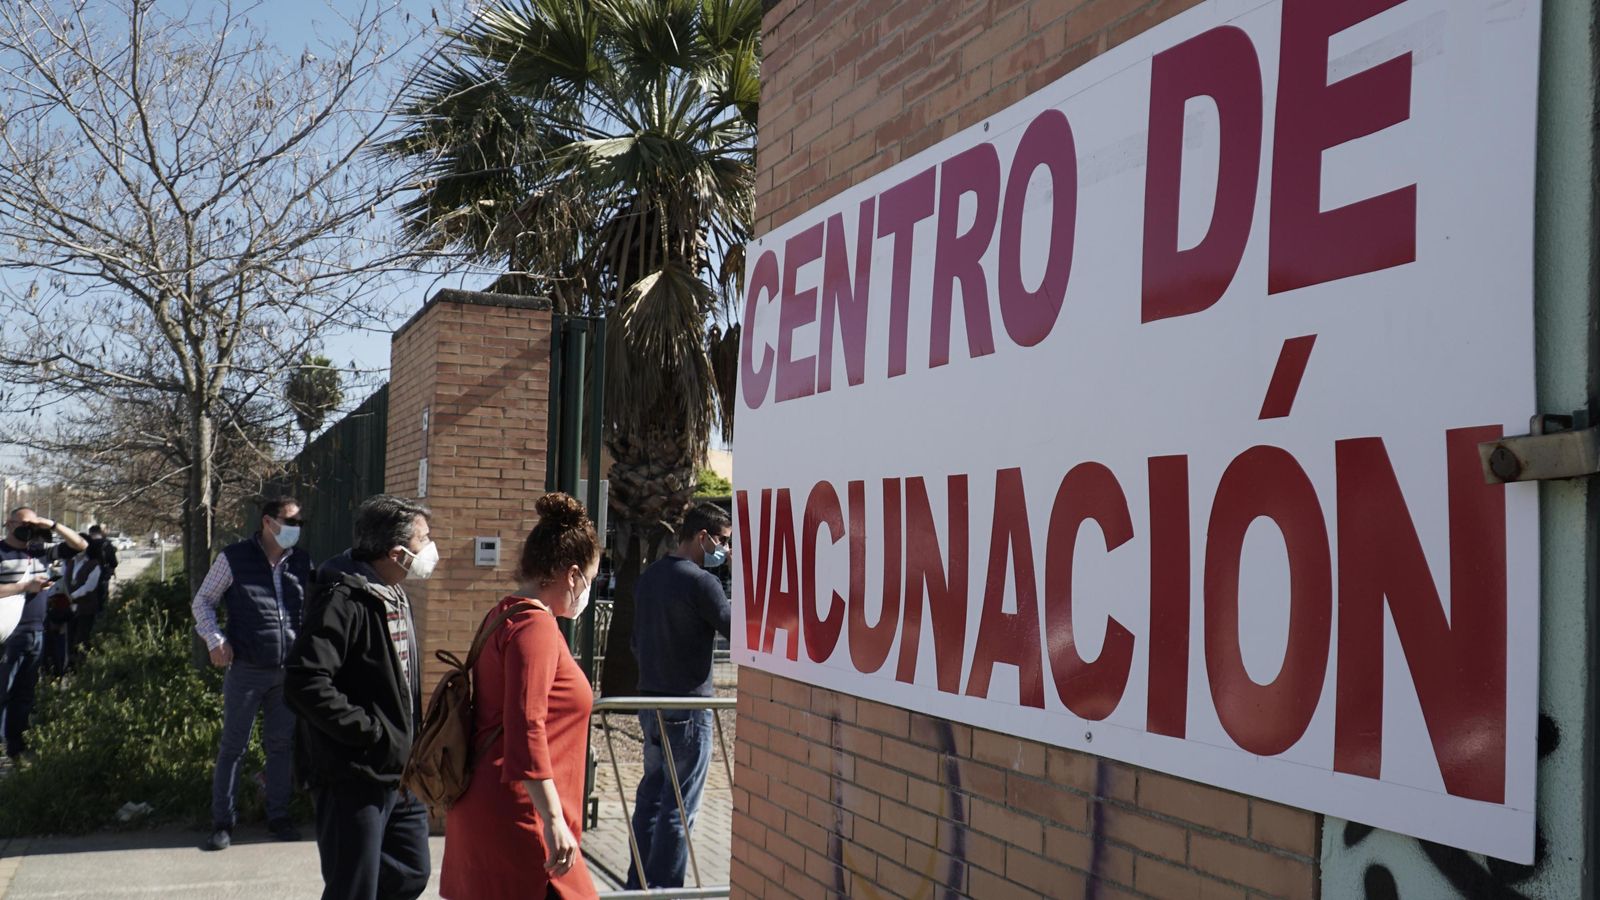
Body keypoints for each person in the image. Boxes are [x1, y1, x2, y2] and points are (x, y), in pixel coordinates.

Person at [441, 492, 600, 900]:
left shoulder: (504, 614)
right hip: (521, 818)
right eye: (590, 580)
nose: (586, 593)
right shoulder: (537, 629)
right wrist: (552, 820)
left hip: (494, 804)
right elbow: (526, 725)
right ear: (572, 575)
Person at [285, 495, 435, 900]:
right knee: (353, 887)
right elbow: (305, 681)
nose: (431, 549)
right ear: (396, 552)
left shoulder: (392, 590)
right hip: (354, 775)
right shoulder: (343, 598)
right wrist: (370, 734)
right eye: (424, 540)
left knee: (410, 871)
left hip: (399, 774)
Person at [191, 497, 312, 851]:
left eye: (299, 522)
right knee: (234, 747)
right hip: (247, 668)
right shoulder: (234, 558)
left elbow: (311, 608)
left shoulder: (301, 562)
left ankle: (278, 816)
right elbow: (203, 602)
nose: (295, 529)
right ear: (267, 522)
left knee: (280, 746)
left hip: (287, 671)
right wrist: (214, 640)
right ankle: (223, 822)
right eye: (289, 521)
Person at [624, 502, 732, 890]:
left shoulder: (650, 577)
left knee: (651, 800)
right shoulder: (702, 582)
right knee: (680, 809)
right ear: (702, 537)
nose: (725, 551)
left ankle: (637, 888)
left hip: (648, 703)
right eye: (722, 542)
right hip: (688, 705)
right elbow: (737, 630)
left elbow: (636, 641)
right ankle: (667, 891)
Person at [0, 507, 87, 762]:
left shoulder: (39, 551)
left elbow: (80, 545)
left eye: (33, 524)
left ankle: (16, 749)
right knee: (2, 691)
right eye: (24, 524)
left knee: (24, 695)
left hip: (37, 632)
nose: (30, 529)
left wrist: (50, 523)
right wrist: (24, 586)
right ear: (9, 523)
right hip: (7, 634)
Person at [41, 539, 100, 675]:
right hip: (69, 607)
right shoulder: (70, 562)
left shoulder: (93, 564)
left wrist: (72, 596)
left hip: (86, 607)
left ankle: (81, 669)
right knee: (69, 638)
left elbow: (89, 587)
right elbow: (62, 579)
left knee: (82, 637)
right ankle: (69, 667)